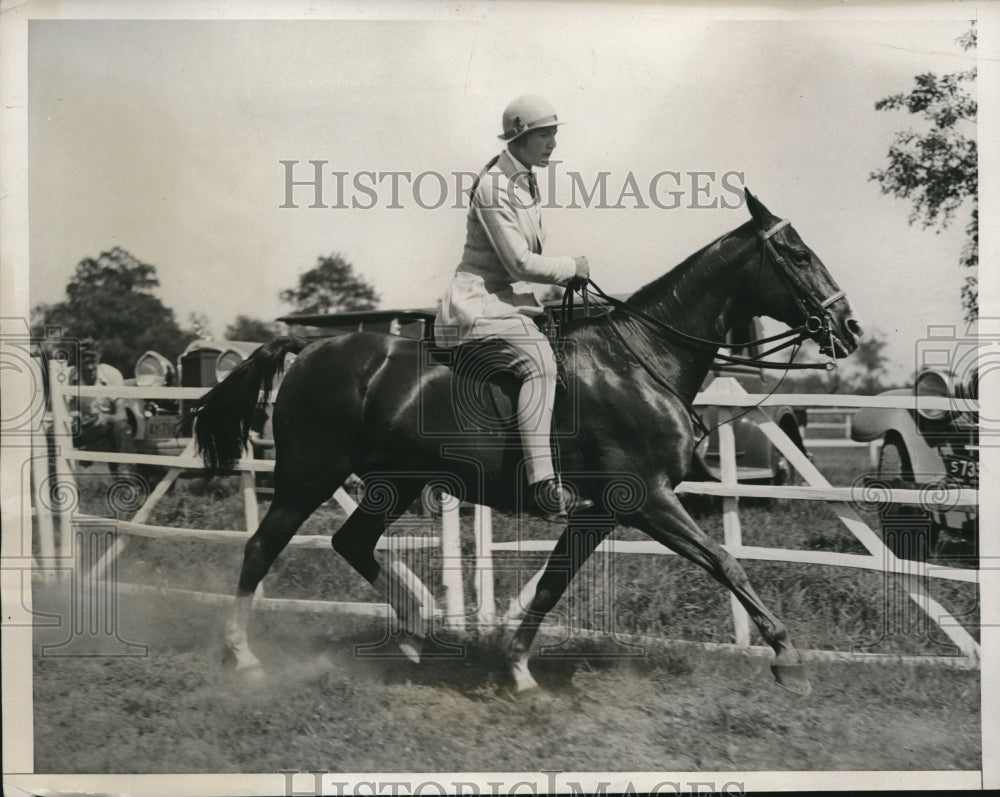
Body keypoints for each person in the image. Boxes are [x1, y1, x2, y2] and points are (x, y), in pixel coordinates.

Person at [434, 94, 594, 522]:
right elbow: (519, 263)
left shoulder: (524, 182)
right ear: (521, 137)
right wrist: (571, 267)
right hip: (476, 308)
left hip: (507, 303)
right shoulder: (494, 187)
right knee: (540, 362)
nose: (553, 144)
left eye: (554, 135)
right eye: (545, 135)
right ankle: (542, 485)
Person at [67, 339, 134, 472]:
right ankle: (54, 486)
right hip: (82, 429)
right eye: (85, 363)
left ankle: (125, 484)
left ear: (99, 358)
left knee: (122, 428)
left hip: (106, 427)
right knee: (52, 433)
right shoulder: (69, 376)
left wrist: (106, 418)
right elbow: (63, 412)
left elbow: (122, 416)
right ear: (77, 362)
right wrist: (74, 420)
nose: (90, 367)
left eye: (93, 361)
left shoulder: (111, 375)